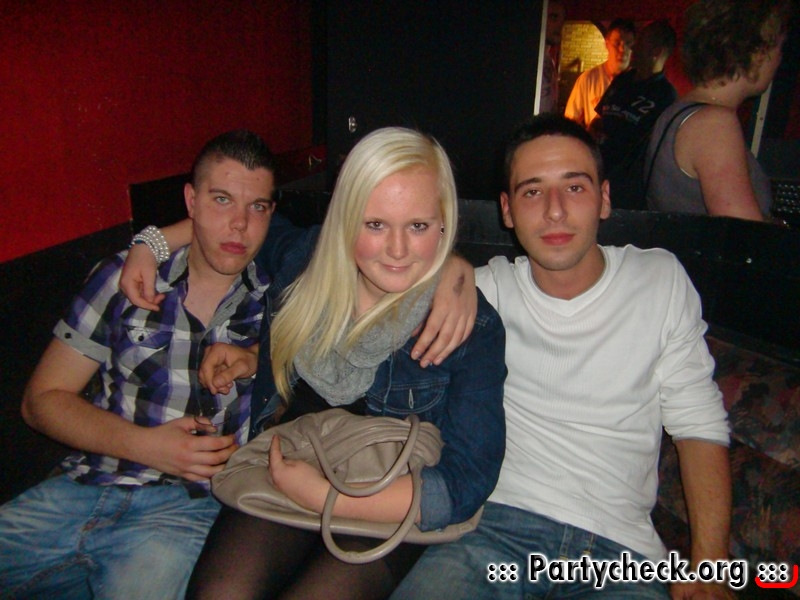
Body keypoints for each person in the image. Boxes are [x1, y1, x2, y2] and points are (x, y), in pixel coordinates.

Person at [392, 114, 733, 599]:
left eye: (574, 187)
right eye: (532, 191)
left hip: (621, 554)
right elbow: (375, 301)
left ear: (604, 198)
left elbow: (698, 423)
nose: (554, 211)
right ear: (507, 210)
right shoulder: (485, 293)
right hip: (491, 532)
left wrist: (710, 568)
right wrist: (450, 267)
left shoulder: (659, 280)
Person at [185, 127, 507, 598]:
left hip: (389, 493)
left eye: (418, 226)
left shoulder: (469, 328)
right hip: (291, 458)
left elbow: (469, 479)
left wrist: (325, 497)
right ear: (345, 219)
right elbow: (246, 226)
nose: (397, 249)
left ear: (444, 224)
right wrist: (151, 243)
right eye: (374, 224)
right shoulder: (306, 261)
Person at [0, 130, 278, 598]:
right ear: (191, 201)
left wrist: (254, 357)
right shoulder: (124, 278)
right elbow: (41, 401)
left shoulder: (278, 299)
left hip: (186, 508)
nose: (239, 224)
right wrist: (148, 446)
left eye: (258, 207)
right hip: (82, 487)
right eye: (221, 200)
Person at [646, 0, 790, 221]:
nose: (780, 59)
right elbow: (744, 232)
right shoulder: (714, 123)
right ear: (757, 53)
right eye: (778, 47)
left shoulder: (679, 112)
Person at [591, 19, 678, 210]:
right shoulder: (622, 80)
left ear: (656, 52)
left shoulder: (665, 96)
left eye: (640, 43)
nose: (633, 48)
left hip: (627, 191)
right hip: (597, 174)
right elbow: (600, 118)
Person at [564, 18, 635, 129]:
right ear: (607, 44)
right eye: (617, 43)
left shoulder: (639, 81)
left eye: (628, 44)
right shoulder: (588, 79)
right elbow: (570, 121)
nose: (622, 49)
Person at [537, 0, 566, 114]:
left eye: (562, 20)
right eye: (553, 17)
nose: (559, 25)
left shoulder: (549, 60)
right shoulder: (529, 59)